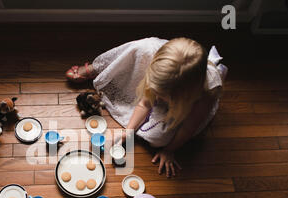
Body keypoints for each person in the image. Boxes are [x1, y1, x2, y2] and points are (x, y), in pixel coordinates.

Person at [66, 37, 228, 177]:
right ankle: (99, 67)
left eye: (162, 94)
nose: (156, 96)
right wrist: (127, 132)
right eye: (155, 89)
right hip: (171, 68)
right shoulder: (158, 70)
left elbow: (187, 128)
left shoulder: (205, 94)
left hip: (190, 104)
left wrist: (169, 150)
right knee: (144, 47)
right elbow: (145, 102)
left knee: (158, 140)